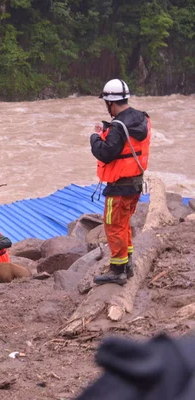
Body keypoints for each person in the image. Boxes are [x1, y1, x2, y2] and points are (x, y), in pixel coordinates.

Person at [90, 79, 151, 286]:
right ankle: (128, 264)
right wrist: (108, 129)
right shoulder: (140, 118)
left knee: (113, 225)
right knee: (123, 223)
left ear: (110, 103)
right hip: (135, 184)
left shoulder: (118, 126)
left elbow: (106, 153)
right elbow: (126, 138)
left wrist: (95, 137)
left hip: (119, 186)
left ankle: (118, 270)